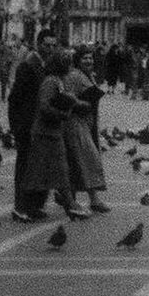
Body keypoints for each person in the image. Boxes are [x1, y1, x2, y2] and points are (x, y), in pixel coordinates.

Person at [22, 49, 89, 220]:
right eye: (64, 61)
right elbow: (44, 106)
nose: (68, 64)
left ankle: (31, 206)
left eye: (69, 60)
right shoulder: (50, 82)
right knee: (58, 170)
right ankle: (70, 205)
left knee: (41, 172)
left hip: (51, 131)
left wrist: (76, 104)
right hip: (46, 132)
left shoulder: (57, 80)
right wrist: (62, 113)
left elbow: (62, 100)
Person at [7, 32, 54, 221]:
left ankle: (35, 205)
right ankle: (20, 207)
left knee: (41, 166)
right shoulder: (27, 65)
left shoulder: (48, 66)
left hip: (43, 124)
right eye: (47, 45)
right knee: (25, 166)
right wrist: (17, 125)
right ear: (38, 44)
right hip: (27, 124)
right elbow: (15, 98)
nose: (50, 49)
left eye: (53, 45)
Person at [62, 48, 109, 214]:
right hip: (76, 122)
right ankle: (88, 199)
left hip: (87, 122)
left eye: (90, 58)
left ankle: (84, 199)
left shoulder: (89, 75)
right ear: (78, 60)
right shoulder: (74, 76)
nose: (88, 61)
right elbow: (66, 98)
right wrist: (80, 104)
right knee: (88, 158)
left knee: (81, 160)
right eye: (85, 58)